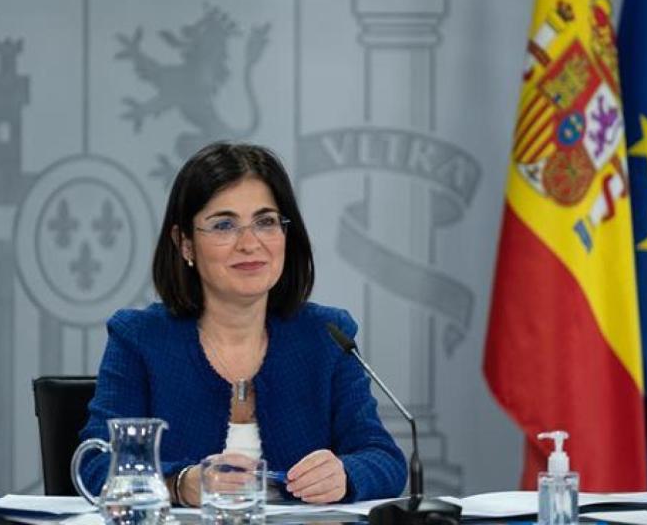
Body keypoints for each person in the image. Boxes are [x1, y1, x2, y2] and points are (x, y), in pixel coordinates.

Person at [77, 142, 407, 506]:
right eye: (224, 225)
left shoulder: (327, 336)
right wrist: (179, 484)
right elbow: (97, 465)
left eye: (265, 222)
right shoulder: (140, 338)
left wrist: (346, 474)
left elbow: (384, 459)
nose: (250, 244)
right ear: (184, 242)